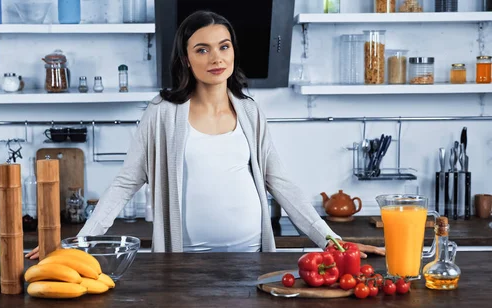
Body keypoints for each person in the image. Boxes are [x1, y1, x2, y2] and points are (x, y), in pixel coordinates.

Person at [26, 10, 385, 259]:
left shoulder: (249, 110)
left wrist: (332, 242)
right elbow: (125, 183)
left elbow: (282, 184)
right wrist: (80, 240)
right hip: (184, 262)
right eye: (203, 49)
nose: (216, 57)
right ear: (185, 58)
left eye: (223, 46)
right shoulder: (162, 113)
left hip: (251, 258)